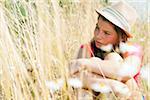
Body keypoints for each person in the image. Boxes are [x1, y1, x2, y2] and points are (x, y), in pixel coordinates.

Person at [69, 1, 143, 99]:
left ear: (121, 37)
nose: (98, 36)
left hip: (129, 96)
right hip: (98, 94)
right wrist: (112, 86)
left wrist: (84, 63)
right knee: (82, 92)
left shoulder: (131, 50)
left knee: (112, 57)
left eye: (106, 33)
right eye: (97, 28)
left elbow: (126, 72)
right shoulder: (87, 48)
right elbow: (75, 78)